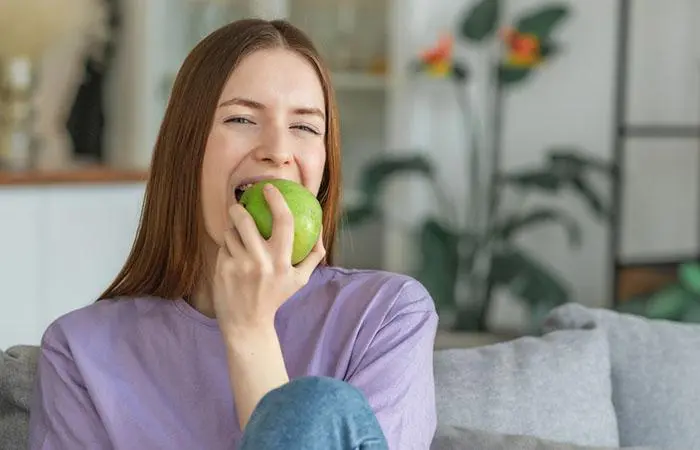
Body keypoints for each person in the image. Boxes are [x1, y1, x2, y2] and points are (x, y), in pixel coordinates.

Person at [28, 18, 438, 450]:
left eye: (304, 127)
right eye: (242, 119)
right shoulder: (80, 351)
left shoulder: (386, 317)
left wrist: (250, 331)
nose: (278, 151)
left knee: (316, 407)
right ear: (186, 149)